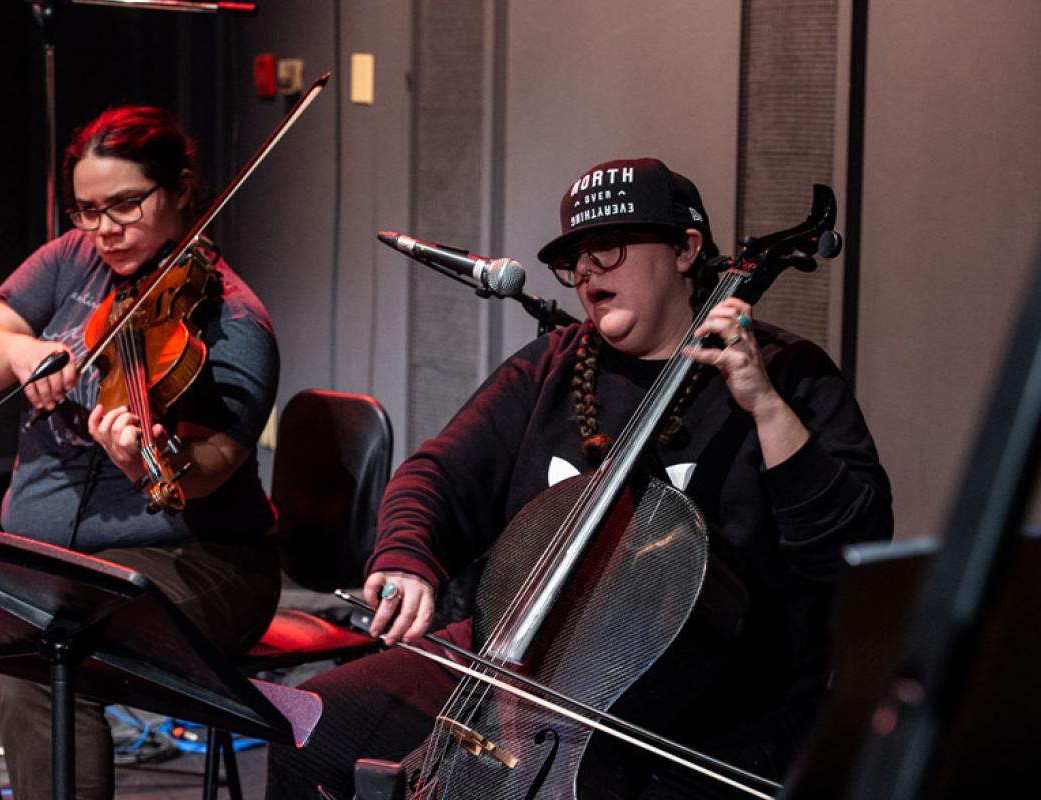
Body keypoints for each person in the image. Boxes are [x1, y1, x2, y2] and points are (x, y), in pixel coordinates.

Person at [265, 157, 892, 798]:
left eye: (608, 248)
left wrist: (764, 407)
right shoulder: (551, 368)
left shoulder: (786, 372)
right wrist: (407, 560)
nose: (588, 270)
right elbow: (438, 477)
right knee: (311, 728)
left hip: (713, 693)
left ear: (686, 249)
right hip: (524, 663)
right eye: (576, 259)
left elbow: (847, 543)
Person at [0, 106, 281, 800]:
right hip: (36, 560)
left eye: (125, 205)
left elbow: (209, 470)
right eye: (88, 210)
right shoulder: (74, 260)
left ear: (182, 190)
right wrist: (22, 349)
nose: (104, 229)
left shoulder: (234, 321)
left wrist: (143, 462)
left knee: (40, 665)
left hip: (195, 561)